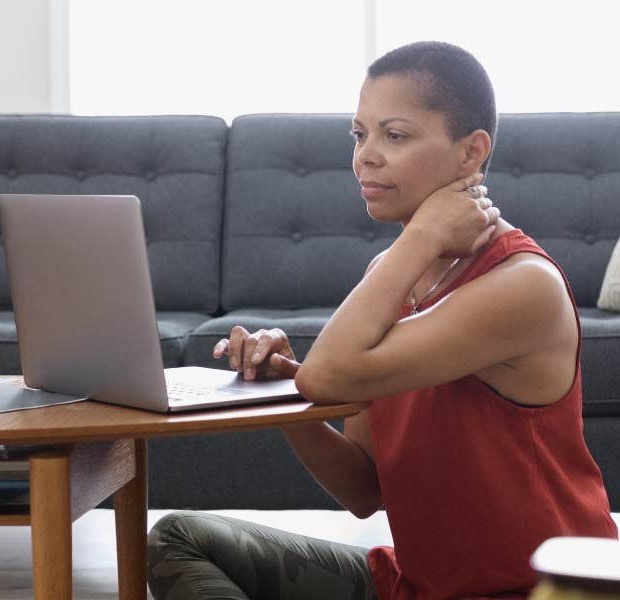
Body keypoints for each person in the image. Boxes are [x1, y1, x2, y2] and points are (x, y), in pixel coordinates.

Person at [147, 41, 618, 600]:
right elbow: (363, 487)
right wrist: (278, 397)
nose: (365, 155)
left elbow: (324, 377)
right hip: (416, 586)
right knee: (178, 539)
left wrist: (419, 235)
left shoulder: (522, 286)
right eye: (359, 133)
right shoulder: (393, 273)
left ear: (472, 154)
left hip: (531, 590)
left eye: (394, 135)